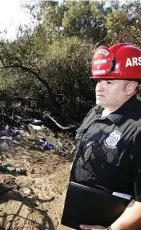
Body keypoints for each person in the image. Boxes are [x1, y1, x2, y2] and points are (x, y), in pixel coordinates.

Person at [69, 43, 141, 230]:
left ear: (130, 87)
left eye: (109, 82)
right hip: (82, 212)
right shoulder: (95, 111)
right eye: (98, 81)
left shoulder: (138, 129)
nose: (99, 87)